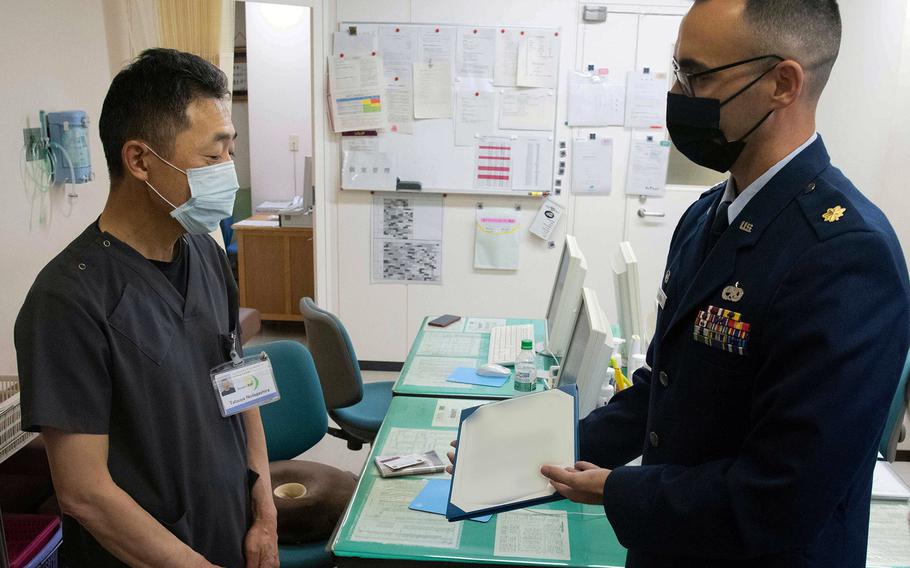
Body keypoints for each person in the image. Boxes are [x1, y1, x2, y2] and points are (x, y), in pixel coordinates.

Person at [537, 1, 910, 566]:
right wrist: (549, 442)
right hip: (673, 545)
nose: (678, 92)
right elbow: (664, 384)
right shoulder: (708, 215)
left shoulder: (845, 255)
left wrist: (615, 489)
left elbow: (783, 495)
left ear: (782, 83)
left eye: (698, 74)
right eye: (678, 70)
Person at [15, 49, 279, 567]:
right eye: (213, 156)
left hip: (229, 525)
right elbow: (84, 493)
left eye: (232, 151)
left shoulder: (204, 250)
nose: (229, 171)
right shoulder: (67, 300)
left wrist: (264, 508)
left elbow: (241, 380)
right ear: (139, 160)